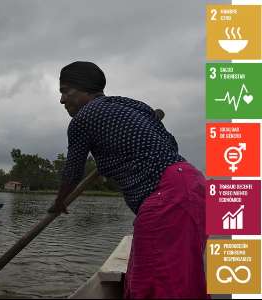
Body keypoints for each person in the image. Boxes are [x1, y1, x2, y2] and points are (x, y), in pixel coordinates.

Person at [50, 61, 207, 299]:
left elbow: (73, 171)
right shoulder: (132, 105)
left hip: (167, 197)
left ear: (82, 89)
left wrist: (60, 201)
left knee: (153, 282)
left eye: (65, 91)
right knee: (184, 275)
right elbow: (171, 144)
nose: (62, 100)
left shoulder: (81, 120)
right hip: (194, 185)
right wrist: (115, 159)